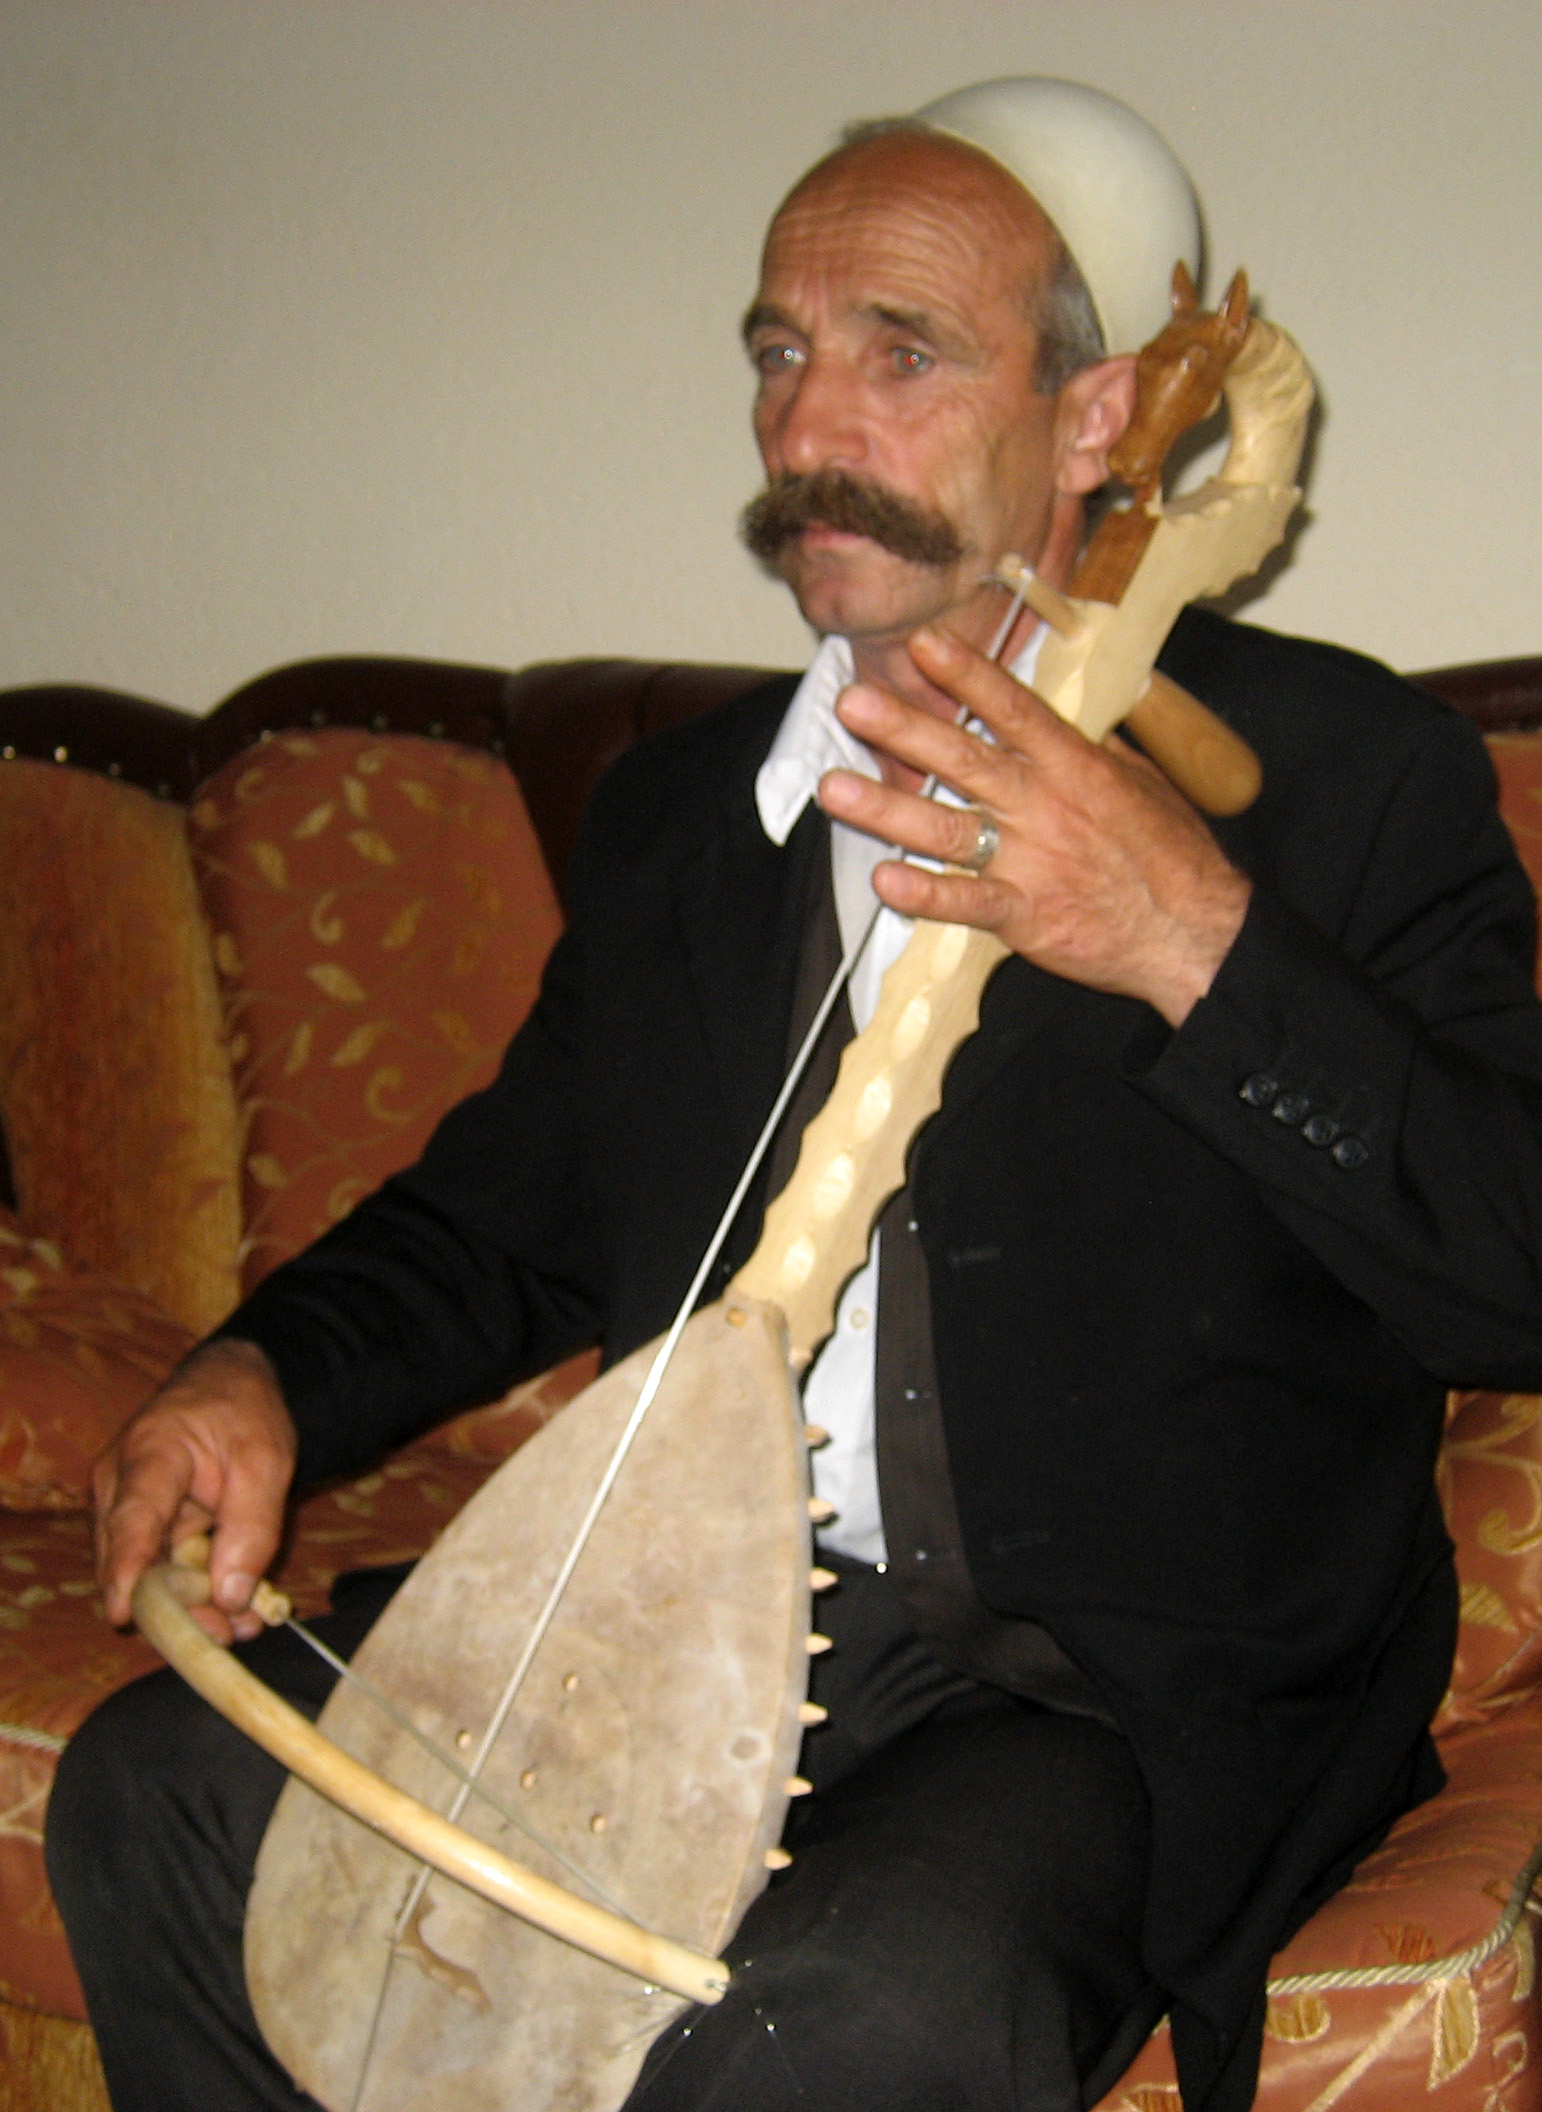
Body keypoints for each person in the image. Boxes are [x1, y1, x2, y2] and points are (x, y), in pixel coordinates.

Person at [46, 77, 1542, 2112]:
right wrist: (259, 1377)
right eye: (778, 351)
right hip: (675, 1613)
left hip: (1099, 1688)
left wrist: (1191, 934)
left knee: (855, 2016)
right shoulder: (679, 818)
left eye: (900, 354)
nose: (805, 427)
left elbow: (1512, 1262)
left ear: (1094, 418)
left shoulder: (1344, 781)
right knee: (162, 1799)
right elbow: (507, 1217)